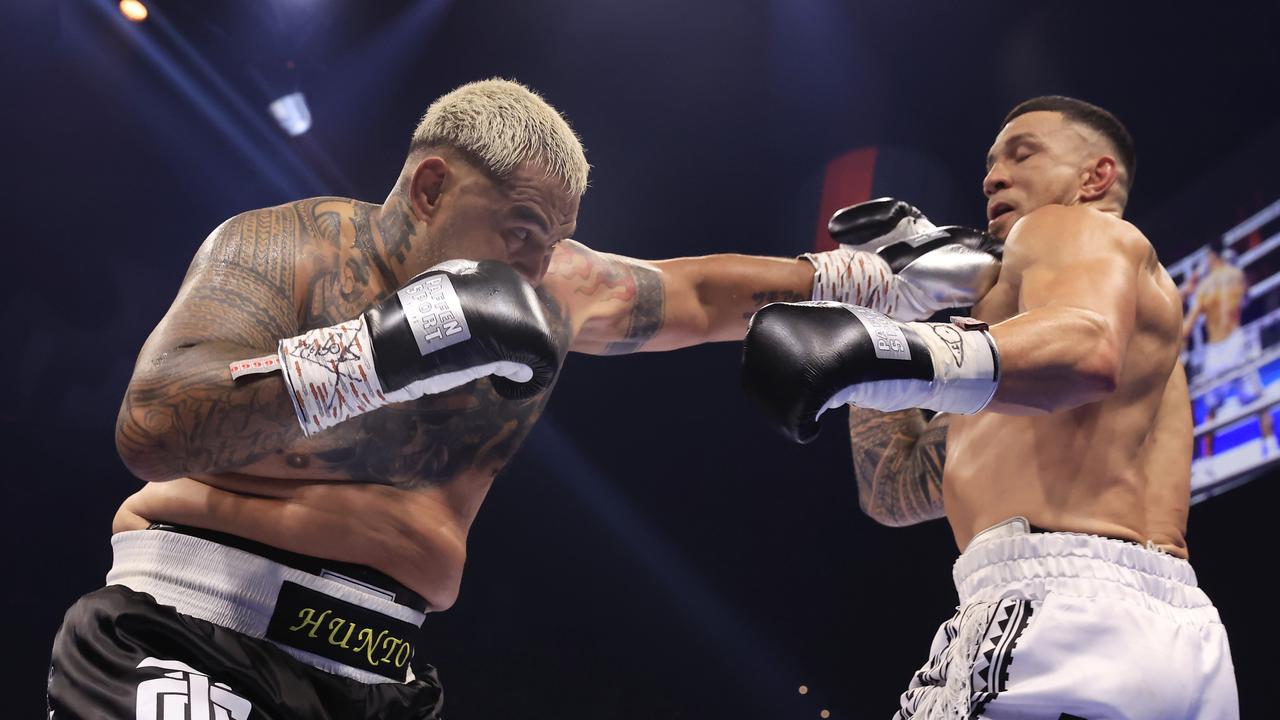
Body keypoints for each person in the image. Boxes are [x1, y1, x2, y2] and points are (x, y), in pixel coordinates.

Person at [48, 78, 1000, 719]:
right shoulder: (278, 249)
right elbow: (155, 424)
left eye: (556, 241)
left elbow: (705, 294)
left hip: (382, 672)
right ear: (428, 186)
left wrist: (878, 284)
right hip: (188, 633)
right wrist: (384, 352)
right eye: (522, 231)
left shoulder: (551, 280)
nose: (539, 266)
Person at [742, 96, 1239, 718]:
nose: (992, 177)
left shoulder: (1077, 233)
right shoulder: (1025, 356)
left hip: (1059, 608)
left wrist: (894, 345)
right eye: (989, 163)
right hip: (1176, 641)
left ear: (1096, 177)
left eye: (1022, 153)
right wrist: (895, 306)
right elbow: (893, 489)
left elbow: (1087, 348)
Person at [1183, 245, 1274, 459]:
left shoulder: (1204, 287)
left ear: (1210, 257)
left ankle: (1207, 462)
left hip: (1216, 350)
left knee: (1212, 410)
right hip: (1236, 341)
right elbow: (1246, 299)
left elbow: (1188, 327)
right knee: (1259, 399)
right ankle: (1269, 445)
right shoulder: (1237, 276)